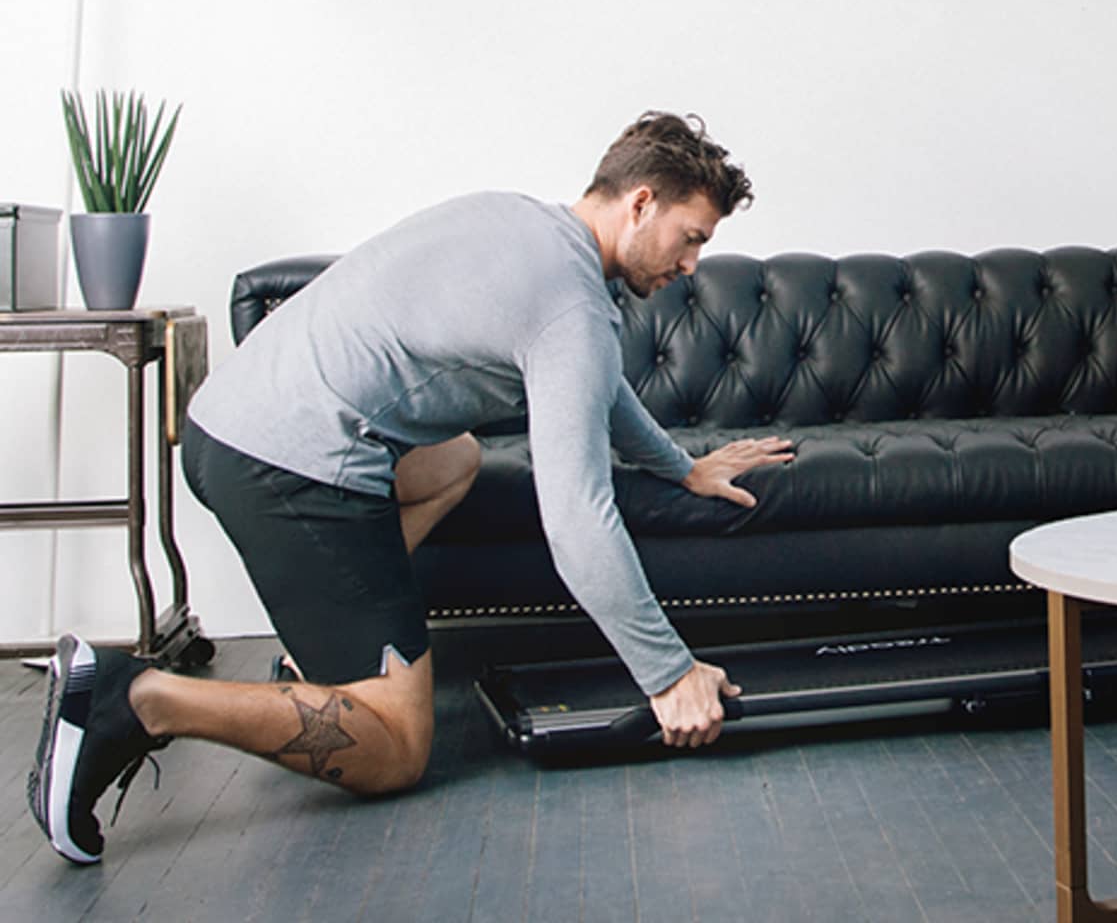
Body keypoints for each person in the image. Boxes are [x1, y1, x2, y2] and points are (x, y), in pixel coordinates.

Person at [29, 111, 794, 865]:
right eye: (692, 238)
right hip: (288, 464)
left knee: (453, 459)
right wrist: (669, 674)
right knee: (395, 748)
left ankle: (322, 658)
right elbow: (579, 521)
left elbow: (598, 391)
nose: (692, 263)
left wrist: (680, 466)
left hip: (229, 428)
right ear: (641, 204)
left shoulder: (529, 226)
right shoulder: (571, 307)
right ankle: (136, 699)